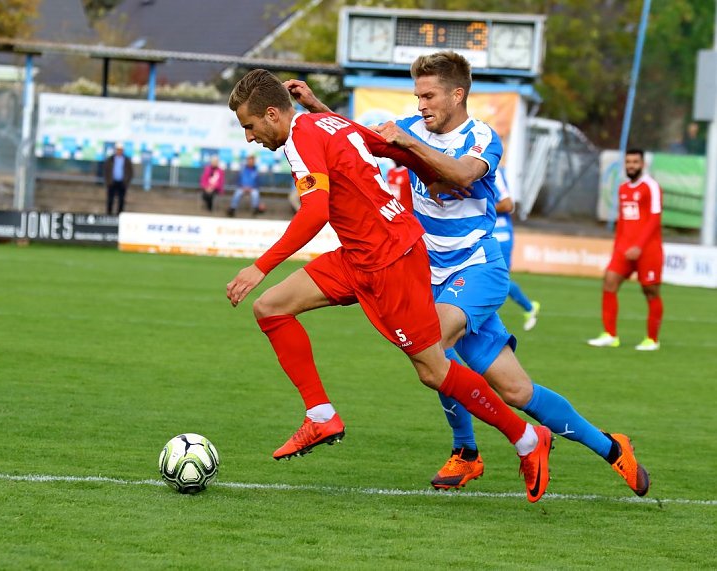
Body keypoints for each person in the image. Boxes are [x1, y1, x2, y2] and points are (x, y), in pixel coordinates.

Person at [286, 52, 649, 497]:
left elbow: (459, 172)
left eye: (429, 95)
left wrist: (408, 143)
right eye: (417, 95)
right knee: (516, 390)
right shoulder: (414, 129)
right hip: (429, 275)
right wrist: (315, 106)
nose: (420, 104)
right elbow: (355, 139)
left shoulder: (482, 137)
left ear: (458, 95)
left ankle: (468, 452)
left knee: (432, 345)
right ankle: (613, 448)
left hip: (477, 268)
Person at [226, 68, 553, 503]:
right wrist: (430, 173)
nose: (250, 137)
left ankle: (527, 439)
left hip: (389, 261)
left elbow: (315, 212)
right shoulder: (325, 122)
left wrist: (259, 266)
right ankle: (321, 415)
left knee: (434, 370)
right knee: (271, 308)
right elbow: (383, 144)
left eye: (249, 126)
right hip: (357, 256)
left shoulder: (301, 138)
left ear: (271, 114)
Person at [588, 149, 664, 351]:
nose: (631, 165)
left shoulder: (651, 187)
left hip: (648, 250)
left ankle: (652, 339)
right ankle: (610, 335)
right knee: (609, 282)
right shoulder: (622, 188)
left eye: (635, 162)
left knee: (650, 291)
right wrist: (618, 247)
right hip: (624, 249)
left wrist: (639, 246)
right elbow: (623, 221)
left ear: (642, 164)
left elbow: (655, 219)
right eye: (628, 162)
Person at [492, 168, 540, 331]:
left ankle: (529, 307)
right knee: (488, 280)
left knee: (499, 282)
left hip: (501, 235)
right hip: (487, 234)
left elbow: (507, 204)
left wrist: (482, 209)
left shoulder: (494, 171)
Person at [104, 142, 132, 215]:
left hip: (122, 183)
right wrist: (108, 181)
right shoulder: (111, 159)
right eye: (118, 149)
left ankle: (119, 215)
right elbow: (106, 170)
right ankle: (109, 214)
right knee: (110, 199)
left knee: (121, 200)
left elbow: (130, 172)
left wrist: (126, 181)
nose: (119, 151)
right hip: (112, 182)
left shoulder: (126, 160)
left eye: (120, 149)